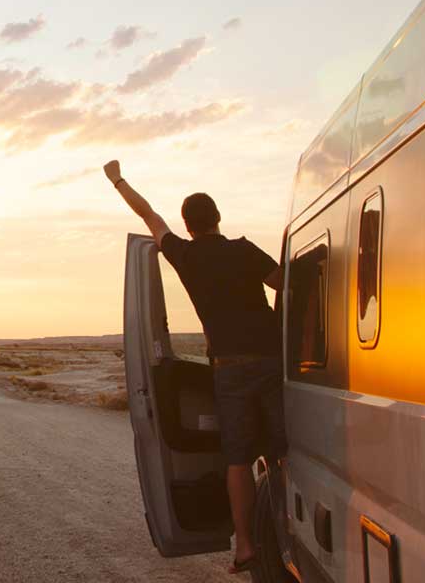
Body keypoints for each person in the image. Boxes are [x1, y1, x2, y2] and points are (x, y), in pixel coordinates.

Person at [103, 159, 287, 575]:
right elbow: (286, 285)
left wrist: (118, 179)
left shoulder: (183, 255)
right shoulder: (243, 249)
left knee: (238, 459)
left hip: (230, 370)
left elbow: (148, 214)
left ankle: (244, 544)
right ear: (218, 218)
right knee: (282, 453)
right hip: (273, 363)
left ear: (187, 226)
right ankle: (293, 530)